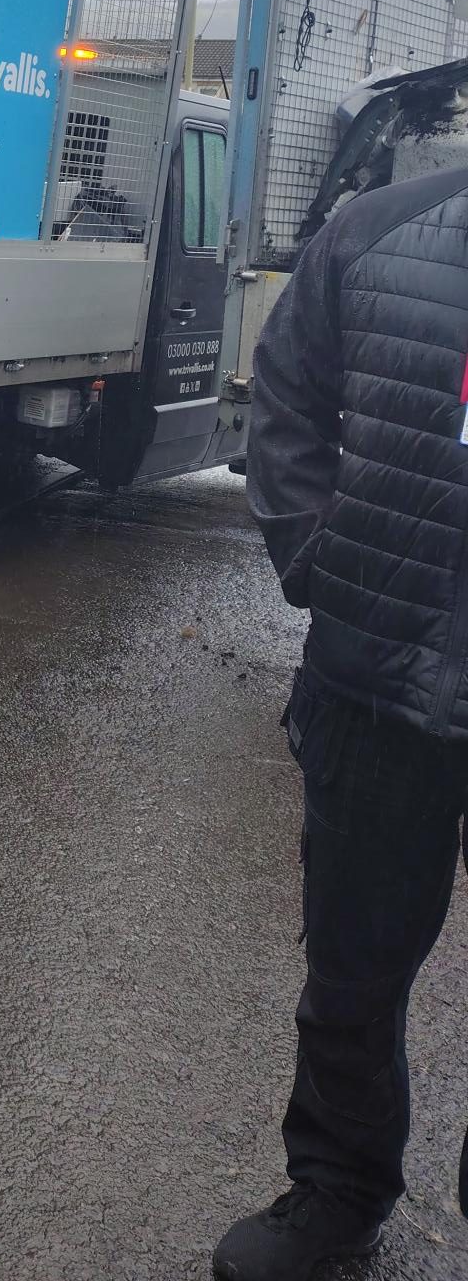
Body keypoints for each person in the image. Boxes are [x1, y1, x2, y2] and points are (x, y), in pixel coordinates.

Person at [214, 165, 468, 1280]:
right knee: (355, 969)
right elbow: (288, 388)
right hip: (377, 678)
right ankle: (340, 1190)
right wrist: (313, 550)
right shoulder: (382, 231)